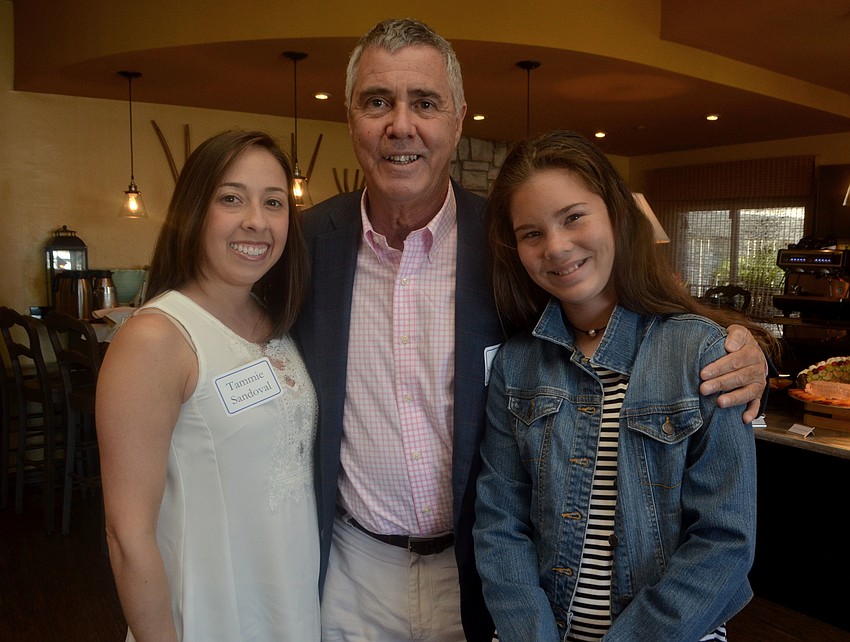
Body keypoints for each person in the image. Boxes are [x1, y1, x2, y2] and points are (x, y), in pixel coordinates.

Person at [294, 19, 769, 642]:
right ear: (351, 116)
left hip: (475, 579)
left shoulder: (505, 240)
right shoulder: (302, 245)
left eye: (425, 102)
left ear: (459, 118)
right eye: (377, 102)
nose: (400, 125)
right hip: (356, 570)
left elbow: (632, 309)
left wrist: (752, 347)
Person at [474, 130, 779, 641]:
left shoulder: (701, 352)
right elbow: (500, 523)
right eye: (531, 233)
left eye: (573, 217)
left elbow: (724, 538)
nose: (556, 247)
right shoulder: (516, 363)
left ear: (615, 213)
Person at [96, 130, 319, 641]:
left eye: (274, 203)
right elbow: (127, 535)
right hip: (210, 613)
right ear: (195, 210)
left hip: (289, 603)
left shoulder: (277, 322)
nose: (256, 222)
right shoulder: (156, 337)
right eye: (231, 198)